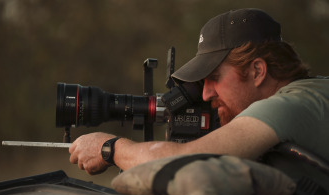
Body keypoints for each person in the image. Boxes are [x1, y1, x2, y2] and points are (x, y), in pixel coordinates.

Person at [69, 8, 329, 176]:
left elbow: (186, 163)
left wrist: (109, 148)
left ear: (257, 71)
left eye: (214, 78)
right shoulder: (310, 94)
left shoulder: (288, 106)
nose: (205, 95)